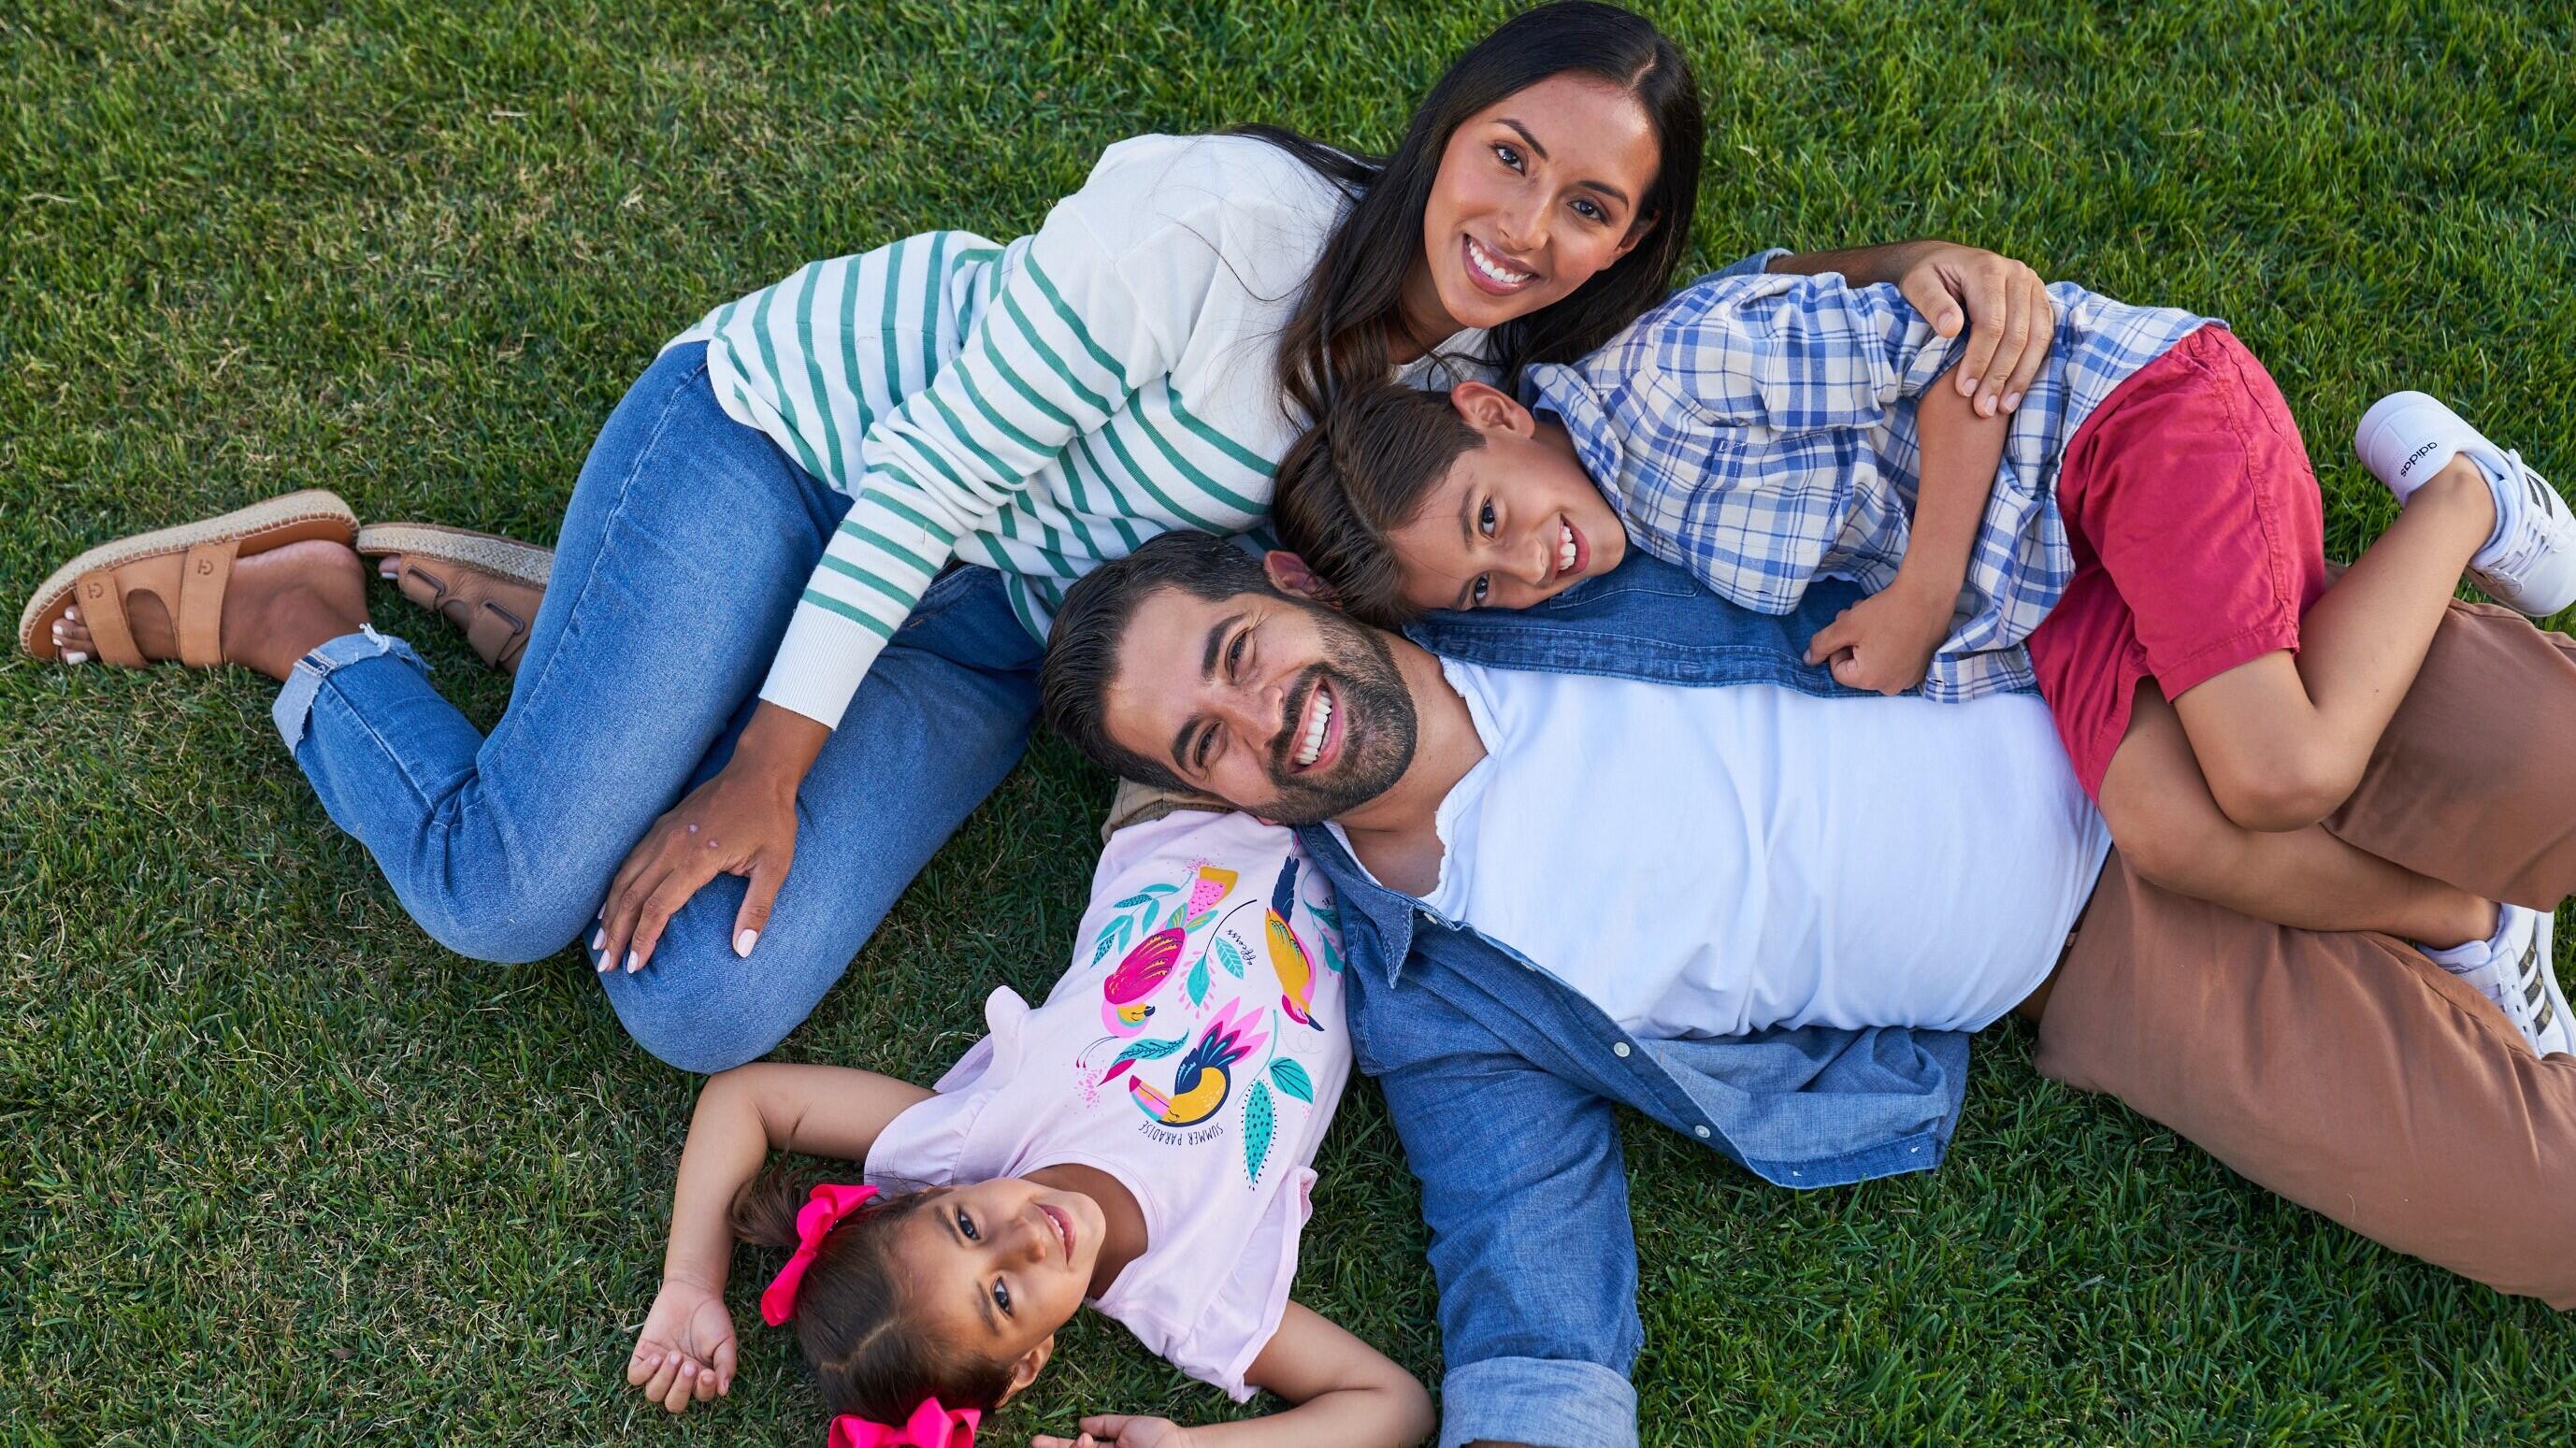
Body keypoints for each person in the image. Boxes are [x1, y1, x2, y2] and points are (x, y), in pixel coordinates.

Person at [16, 2, 2055, 1072]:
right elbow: (927, 479)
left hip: (1000, 633)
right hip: (812, 453)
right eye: (1510, 154)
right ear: (1446, 126)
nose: (1526, 224)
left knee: (692, 1006)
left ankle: (615, 644)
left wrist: (1909, 268)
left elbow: (1724, 352)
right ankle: (302, 620)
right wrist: (764, 762)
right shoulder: (1218, 222)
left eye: (1591, 209)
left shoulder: (1537, 370)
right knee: (508, 892)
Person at [1036, 529, 2576, 1448]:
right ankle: (2458, 933)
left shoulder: (1536, 551)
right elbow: (1528, 1277)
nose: (1267, 721)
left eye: (1239, 652)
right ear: (1217, 797)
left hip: (2135, 668)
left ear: (1295, 583)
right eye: (1207, 744)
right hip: (2104, 955)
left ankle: (2466, 858)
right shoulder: (1436, 986)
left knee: (2543, 758)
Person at [1264, 271, 2576, 1048]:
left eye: (1490, 517)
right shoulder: (1620, 525)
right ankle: (2466, 920)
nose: (1530, 567)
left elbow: (1959, 347)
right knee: (2170, 829)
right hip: (2059, 583)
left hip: (2122, 428)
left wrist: (1918, 594)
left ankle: (2460, 496)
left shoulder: (1669, 376)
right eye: (1483, 586)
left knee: (2275, 769)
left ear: (1492, 412)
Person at [625, 806, 1426, 1447]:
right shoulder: (1193, 1296)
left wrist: (690, 1280)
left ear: (936, 1187)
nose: (1026, 1237)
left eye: (966, 1222)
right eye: (1003, 1295)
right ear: (1025, 1367)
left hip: (1191, 792)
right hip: (1377, 882)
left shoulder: (975, 1137)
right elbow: (1392, 1404)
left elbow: (745, 1099)